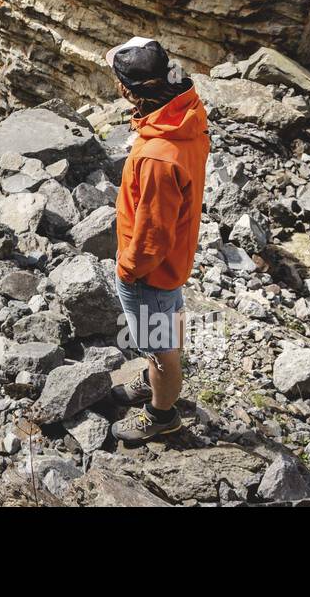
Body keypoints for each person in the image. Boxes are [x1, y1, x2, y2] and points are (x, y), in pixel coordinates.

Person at [101, 37, 210, 443]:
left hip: (151, 274)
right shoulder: (187, 112)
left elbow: (151, 238)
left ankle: (162, 414)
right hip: (172, 266)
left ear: (130, 90)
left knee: (162, 350)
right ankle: (153, 379)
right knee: (164, 327)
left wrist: (127, 272)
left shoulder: (156, 157)